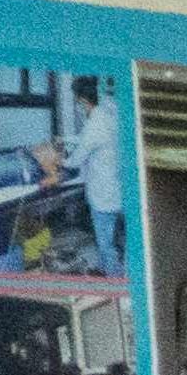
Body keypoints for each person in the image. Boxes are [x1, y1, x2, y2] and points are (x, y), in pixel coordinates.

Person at [63, 74, 125, 274]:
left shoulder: (94, 123)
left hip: (104, 194)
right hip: (120, 187)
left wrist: (59, 159)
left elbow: (76, 160)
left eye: (77, 101)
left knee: (105, 242)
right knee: (119, 236)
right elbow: (89, 140)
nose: (78, 105)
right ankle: (105, 268)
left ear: (82, 100)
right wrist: (67, 139)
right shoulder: (111, 111)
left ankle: (114, 280)